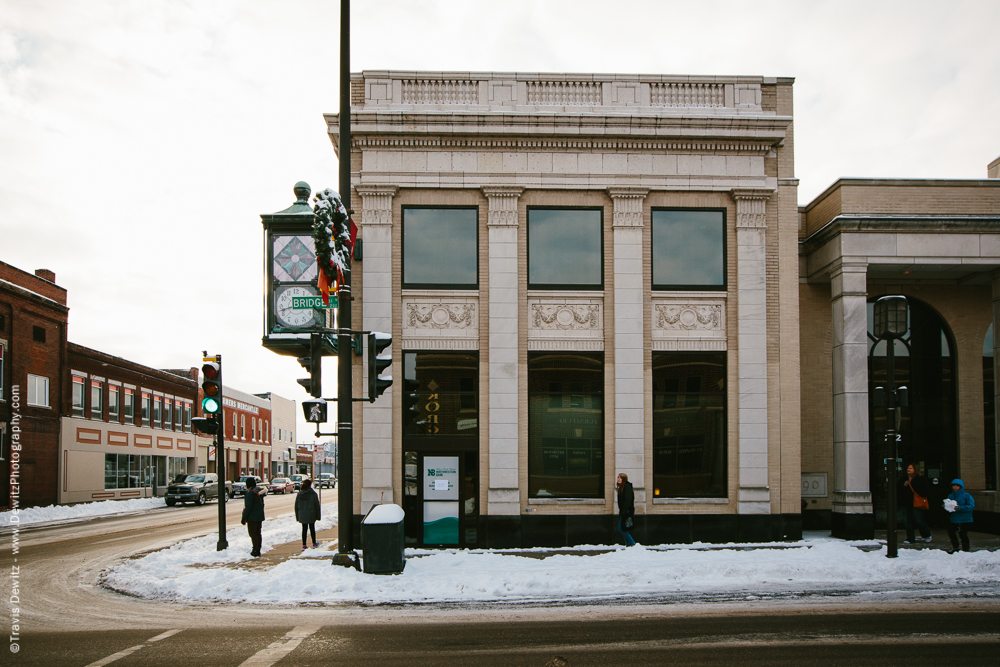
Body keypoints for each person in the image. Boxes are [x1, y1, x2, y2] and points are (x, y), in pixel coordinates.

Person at [898, 463, 932, 544]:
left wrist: (911, 483)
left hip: (916, 502)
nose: (908, 470)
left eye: (910, 468)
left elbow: (925, 490)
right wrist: (904, 485)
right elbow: (898, 489)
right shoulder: (904, 479)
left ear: (915, 469)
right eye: (908, 468)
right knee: (907, 521)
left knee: (918, 519)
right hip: (906, 502)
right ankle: (910, 538)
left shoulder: (921, 479)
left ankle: (926, 534)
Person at [944, 478, 975, 553]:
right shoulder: (950, 496)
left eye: (957, 486)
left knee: (963, 534)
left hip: (965, 519)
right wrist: (946, 506)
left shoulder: (966, 496)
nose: (955, 487)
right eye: (953, 486)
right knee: (951, 532)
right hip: (954, 518)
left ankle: (965, 550)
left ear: (961, 487)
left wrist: (961, 508)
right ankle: (955, 547)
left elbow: (971, 506)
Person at [241, 476, 265, 557]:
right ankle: (258, 549)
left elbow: (248, 507)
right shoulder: (259, 492)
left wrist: (244, 517)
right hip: (259, 516)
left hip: (252, 517)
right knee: (258, 533)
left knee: (253, 534)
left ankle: (255, 550)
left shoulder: (250, 493)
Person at [295, 478, 321, 549]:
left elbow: (296, 505)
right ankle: (314, 543)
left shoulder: (300, 494)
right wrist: (318, 516)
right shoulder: (313, 494)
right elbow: (317, 505)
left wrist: (298, 516)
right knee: (312, 528)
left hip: (302, 514)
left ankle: (304, 545)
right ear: (310, 485)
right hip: (311, 514)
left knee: (304, 529)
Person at [615, 472, 635, 547]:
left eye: (620, 478)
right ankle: (628, 546)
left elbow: (628, 500)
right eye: (618, 477)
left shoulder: (627, 487)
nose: (618, 479)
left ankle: (632, 543)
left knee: (620, 529)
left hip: (627, 511)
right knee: (624, 529)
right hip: (624, 511)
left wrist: (624, 511)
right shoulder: (621, 487)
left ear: (623, 479)